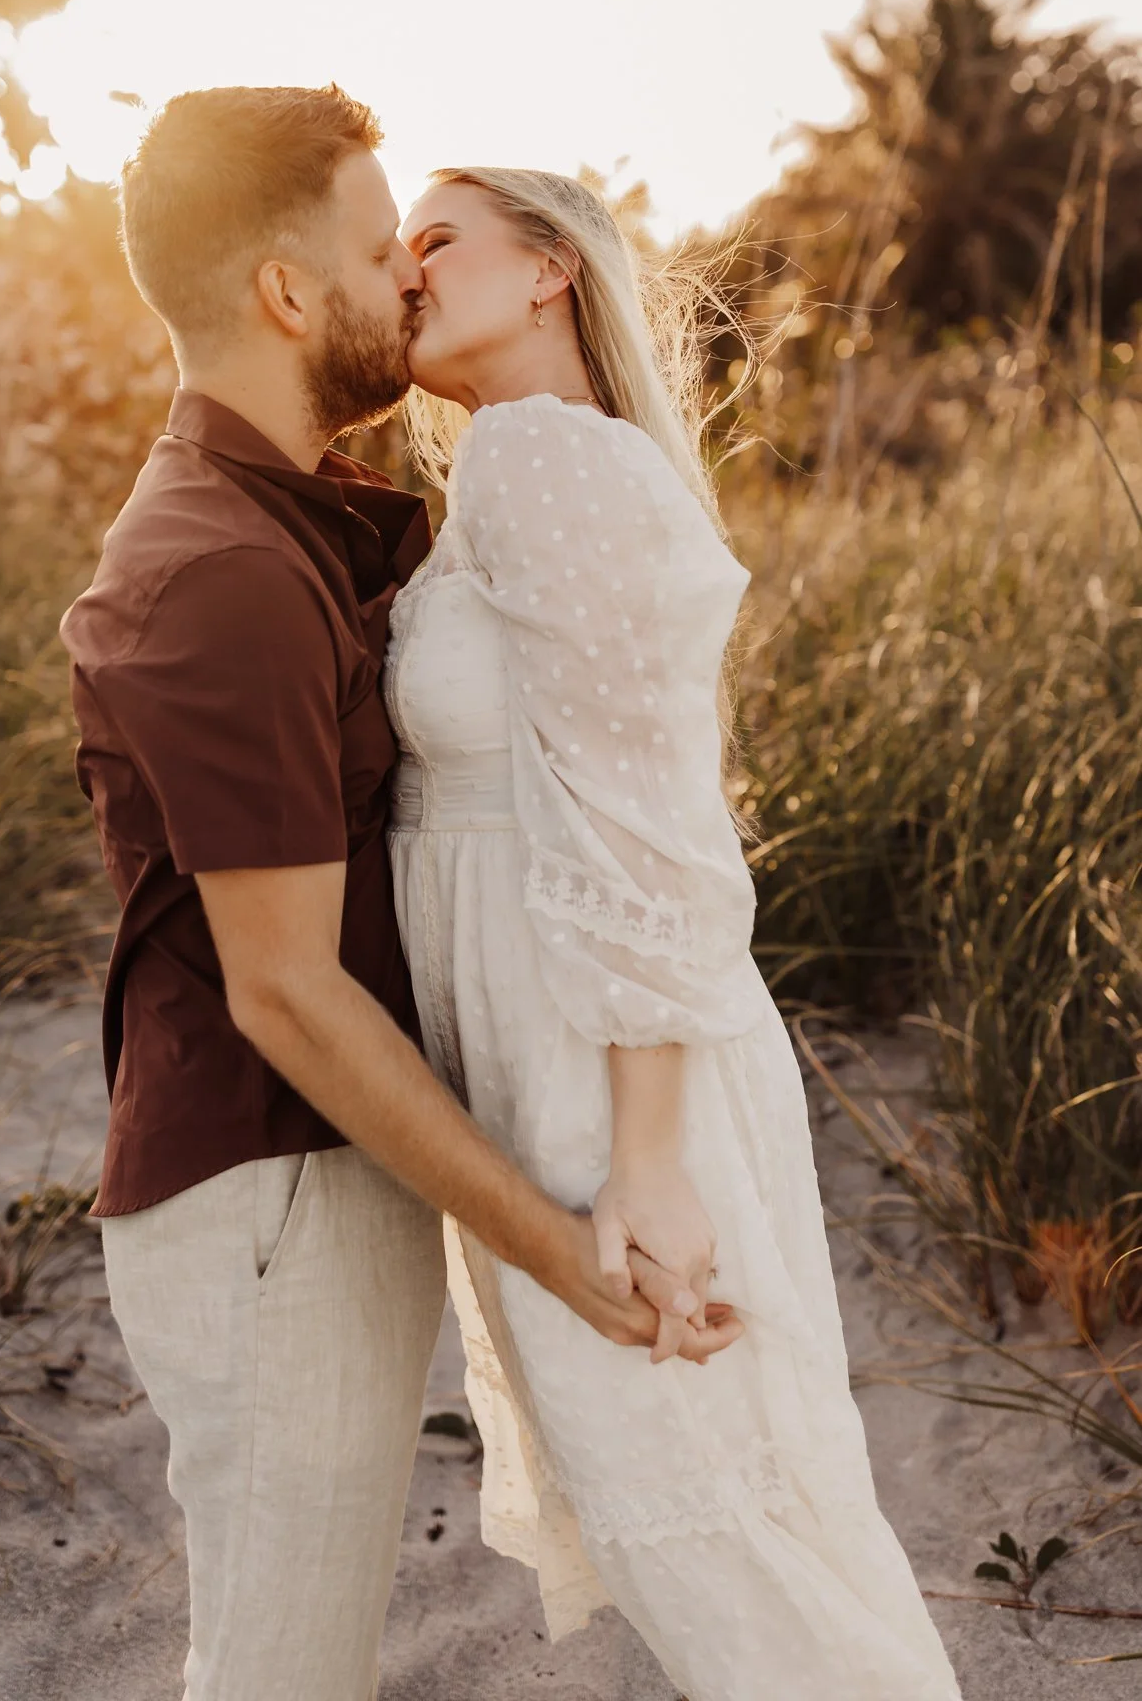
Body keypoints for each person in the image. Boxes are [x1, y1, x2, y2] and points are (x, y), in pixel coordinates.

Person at [58, 87, 740, 1701]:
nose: (409, 281)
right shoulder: (216, 571)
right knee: (282, 1665)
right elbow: (284, 989)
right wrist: (558, 1249)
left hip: (327, 1169)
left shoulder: (303, 524)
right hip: (272, 1194)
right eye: (383, 252)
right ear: (290, 296)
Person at [385, 165, 966, 1699]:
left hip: (601, 1061)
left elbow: (646, 818)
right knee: (712, 1513)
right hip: (559, 1040)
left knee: (716, 1529)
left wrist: (645, 1154)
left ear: (551, 272)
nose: (403, 270)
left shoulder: (539, 456)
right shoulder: (511, 473)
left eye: (437, 239)